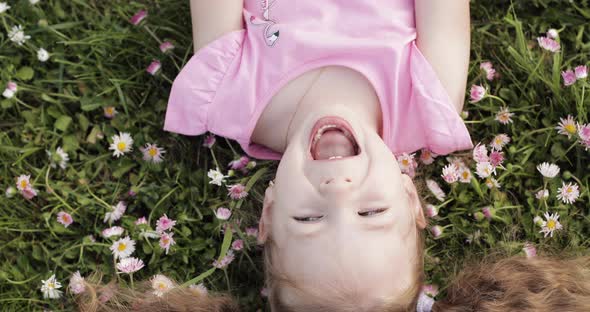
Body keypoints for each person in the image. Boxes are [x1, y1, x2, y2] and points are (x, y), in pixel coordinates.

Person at [160, 0, 473, 310]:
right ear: (409, 198)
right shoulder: (430, 99)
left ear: (269, 212)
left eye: (309, 218)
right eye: (371, 212)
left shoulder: (226, 94)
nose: (338, 188)